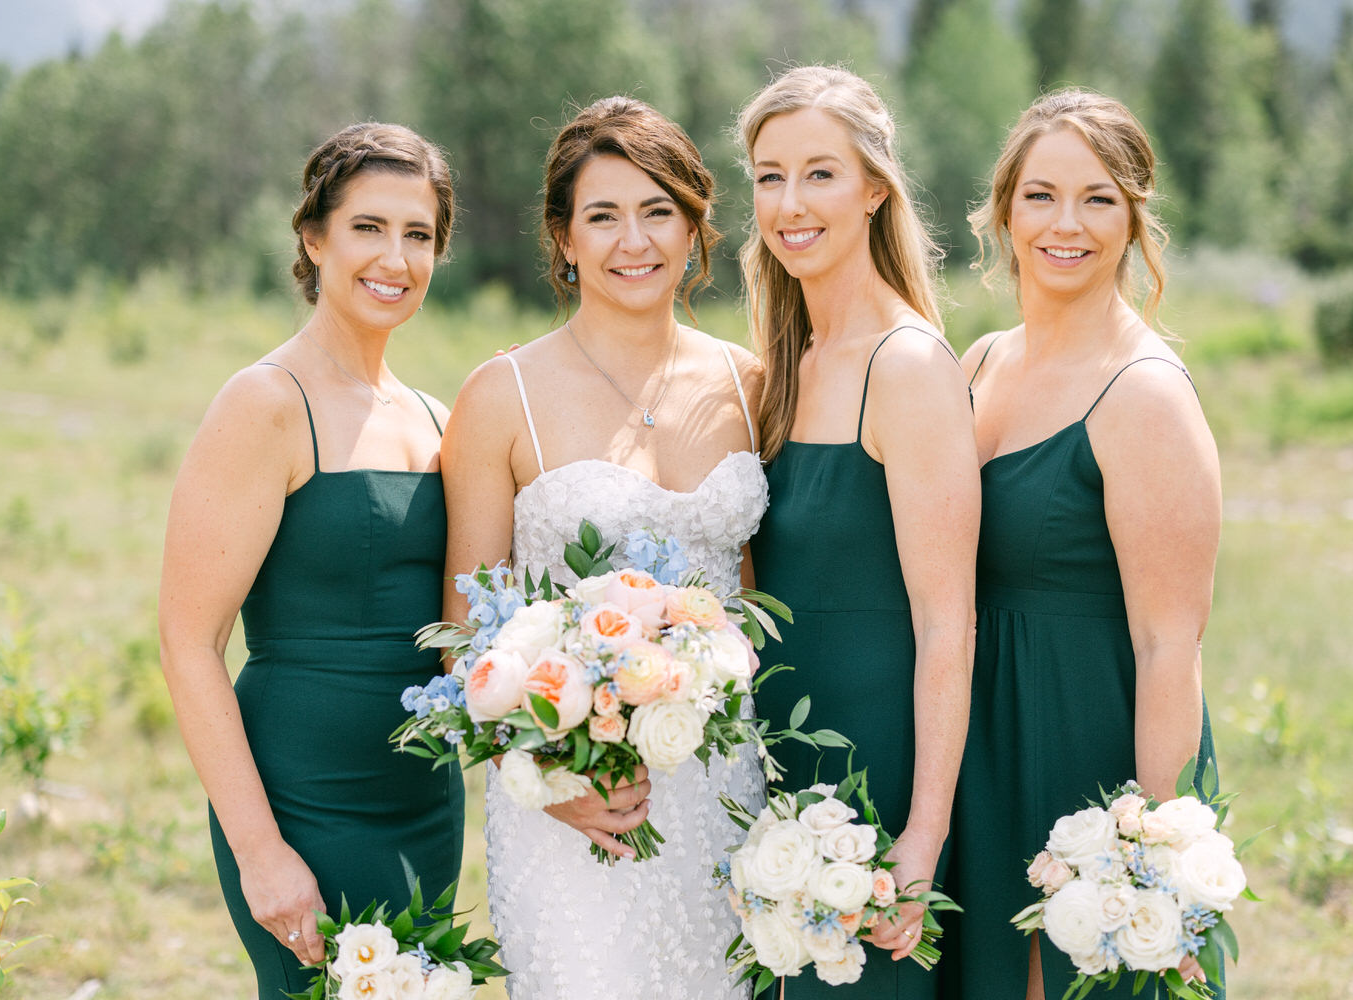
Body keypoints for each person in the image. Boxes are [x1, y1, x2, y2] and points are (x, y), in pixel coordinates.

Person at [440, 96, 767, 999]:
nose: (636, 241)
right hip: (576, 803)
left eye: (659, 210)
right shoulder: (501, 398)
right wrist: (550, 776)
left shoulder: (749, 384)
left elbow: (753, 599)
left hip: (725, 791)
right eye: (604, 215)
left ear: (695, 226)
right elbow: (466, 635)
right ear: (564, 238)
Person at [158, 123, 464, 999]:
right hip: (303, 802)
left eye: (419, 234)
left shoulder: (439, 418)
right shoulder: (265, 403)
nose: (394, 258)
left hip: (424, 805)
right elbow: (189, 642)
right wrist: (262, 853)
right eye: (368, 227)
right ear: (314, 236)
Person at [939, 88, 1223, 999]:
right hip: (976, 739)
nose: (1068, 223)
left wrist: (1148, 852)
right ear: (1002, 211)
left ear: (1136, 219)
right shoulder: (980, 360)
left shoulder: (1144, 394)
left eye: (1099, 198)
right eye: (1041, 196)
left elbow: (1170, 642)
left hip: (1085, 745)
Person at [740, 65, 980, 996]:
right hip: (776, 766)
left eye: (820, 174)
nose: (790, 203)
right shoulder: (785, 361)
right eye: (769, 175)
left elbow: (945, 622)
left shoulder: (908, 365)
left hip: (876, 773)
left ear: (876, 188)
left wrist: (921, 834)